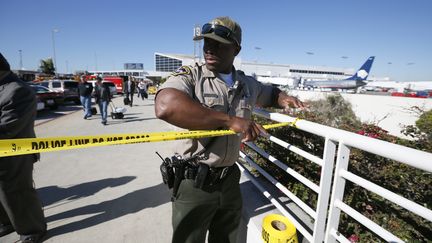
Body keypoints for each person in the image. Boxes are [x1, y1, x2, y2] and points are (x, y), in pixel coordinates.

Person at [155, 16, 305, 243]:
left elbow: (269, 93)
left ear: (236, 48)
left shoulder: (246, 84)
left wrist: (285, 98)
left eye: (218, 44)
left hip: (230, 180)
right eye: (207, 42)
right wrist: (228, 120)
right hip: (195, 181)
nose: (209, 49)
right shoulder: (192, 75)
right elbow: (165, 106)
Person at [0, 53, 47, 243]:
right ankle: (7, 222)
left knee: (17, 193)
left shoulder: (17, 90)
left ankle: (32, 230)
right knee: (2, 195)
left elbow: (7, 127)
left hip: (14, 156)